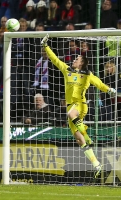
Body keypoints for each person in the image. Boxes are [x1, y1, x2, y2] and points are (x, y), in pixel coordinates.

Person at [41, 34, 116, 179]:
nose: (74, 60)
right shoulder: (67, 70)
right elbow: (55, 59)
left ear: (82, 63)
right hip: (71, 106)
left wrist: (109, 90)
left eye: (77, 59)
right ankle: (97, 165)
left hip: (81, 105)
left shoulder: (87, 74)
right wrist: (45, 46)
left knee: (70, 115)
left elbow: (99, 83)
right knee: (78, 139)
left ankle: (87, 136)